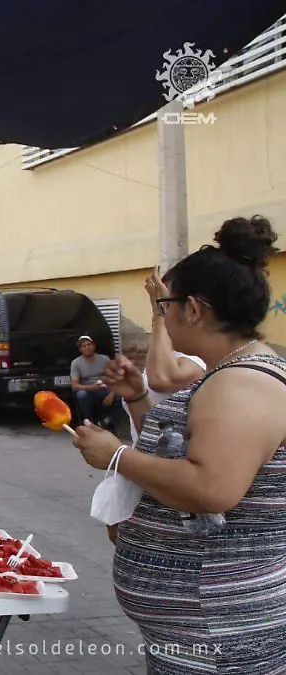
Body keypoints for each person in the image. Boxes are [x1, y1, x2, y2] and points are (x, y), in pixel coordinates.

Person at [71, 216, 286, 674]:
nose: (162, 317)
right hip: (193, 627)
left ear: (192, 309)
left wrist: (117, 456)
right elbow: (184, 448)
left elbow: (211, 487)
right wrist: (138, 396)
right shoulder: (225, 374)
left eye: (164, 305)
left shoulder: (243, 384)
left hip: (218, 628)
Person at [122, 267, 206, 442]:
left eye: (168, 302)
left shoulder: (199, 358)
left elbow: (161, 379)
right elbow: (150, 424)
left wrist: (158, 313)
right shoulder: (167, 350)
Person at [70, 335, 121, 428]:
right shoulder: (76, 363)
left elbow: (116, 377)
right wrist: (90, 388)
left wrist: (112, 394)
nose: (87, 347)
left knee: (122, 397)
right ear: (80, 349)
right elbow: (75, 385)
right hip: (88, 390)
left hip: (105, 389)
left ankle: (107, 422)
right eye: (83, 346)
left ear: (93, 346)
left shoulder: (104, 359)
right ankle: (89, 423)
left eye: (88, 344)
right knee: (82, 395)